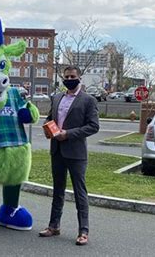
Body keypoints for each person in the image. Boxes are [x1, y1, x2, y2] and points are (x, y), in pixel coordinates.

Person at [39, 65, 99, 246]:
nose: (69, 78)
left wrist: (68, 134)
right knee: (58, 190)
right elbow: (50, 118)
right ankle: (54, 226)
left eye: (73, 76)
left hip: (76, 153)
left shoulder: (88, 100)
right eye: (66, 76)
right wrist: (47, 128)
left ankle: (83, 231)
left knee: (80, 192)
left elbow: (93, 126)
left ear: (79, 78)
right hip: (57, 150)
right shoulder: (57, 97)